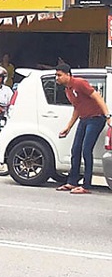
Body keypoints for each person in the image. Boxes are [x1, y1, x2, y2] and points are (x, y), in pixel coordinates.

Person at [54, 62, 112, 195]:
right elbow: (77, 108)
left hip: (96, 118)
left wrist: (108, 116)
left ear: (68, 75)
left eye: (59, 75)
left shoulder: (79, 83)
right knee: (75, 149)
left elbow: (97, 96)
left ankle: (86, 185)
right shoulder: (67, 90)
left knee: (86, 149)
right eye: (56, 75)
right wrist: (68, 127)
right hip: (84, 119)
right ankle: (72, 181)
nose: (57, 78)